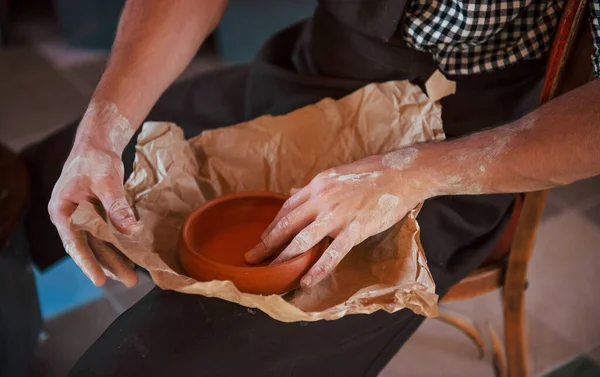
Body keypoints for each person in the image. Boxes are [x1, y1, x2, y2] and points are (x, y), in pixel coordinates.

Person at [27, 0, 600, 375]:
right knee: (28, 188)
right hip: (315, 71)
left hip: (461, 128)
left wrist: (411, 172)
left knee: (143, 362)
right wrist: (103, 127)